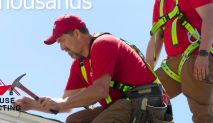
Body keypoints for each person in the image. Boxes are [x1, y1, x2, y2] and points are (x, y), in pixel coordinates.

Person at [13, 14, 169, 123]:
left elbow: (100, 91)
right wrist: (34, 105)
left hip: (145, 102)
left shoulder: (104, 43)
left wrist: (61, 103)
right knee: (74, 120)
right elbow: (66, 104)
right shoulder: (78, 66)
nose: (61, 48)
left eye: (62, 41)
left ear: (76, 33)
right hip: (124, 105)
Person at [140, 0, 213, 122]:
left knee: (201, 115)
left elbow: (210, 18)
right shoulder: (160, 0)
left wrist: (203, 54)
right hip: (172, 64)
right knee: (142, 101)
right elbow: (156, 37)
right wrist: (146, 73)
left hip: (197, 54)